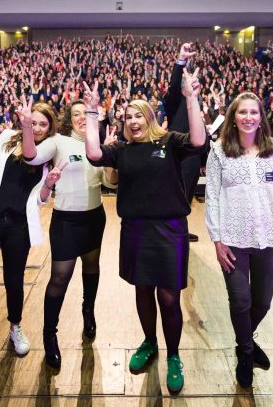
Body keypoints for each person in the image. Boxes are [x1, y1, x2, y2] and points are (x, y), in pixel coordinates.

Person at [83, 46, 207, 395]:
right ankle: (149, 342)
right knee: (143, 291)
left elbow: (199, 140)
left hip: (169, 230)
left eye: (139, 117)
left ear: (150, 118)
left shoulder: (170, 141)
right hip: (135, 229)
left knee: (168, 297)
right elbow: (93, 153)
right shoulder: (121, 150)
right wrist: (93, 112)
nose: (133, 123)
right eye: (128, 119)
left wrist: (192, 98)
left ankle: (174, 355)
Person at [0, 98, 64, 398]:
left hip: (19, 225)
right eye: (33, 121)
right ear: (25, 121)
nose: (37, 126)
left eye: (43, 124)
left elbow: (42, 199)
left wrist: (50, 184)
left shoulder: (47, 156)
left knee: (14, 283)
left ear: (50, 128)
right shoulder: (7, 138)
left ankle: (15, 326)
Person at [22, 99, 118, 369]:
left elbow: (110, 182)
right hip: (65, 222)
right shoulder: (58, 142)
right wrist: (28, 127)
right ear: (69, 119)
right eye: (75, 114)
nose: (80, 118)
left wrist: (110, 154)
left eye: (84, 113)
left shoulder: (98, 146)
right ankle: (49, 334)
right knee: (59, 278)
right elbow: (32, 155)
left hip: (93, 218)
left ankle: (88, 311)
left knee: (91, 268)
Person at [204, 92, 273, 388]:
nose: (249, 117)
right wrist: (217, 239)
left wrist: (262, 212)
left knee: (262, 302)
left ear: (261, 117)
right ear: (233, 117)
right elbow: (212, 196)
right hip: (232, 239)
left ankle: (244, 343)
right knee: (240, 301)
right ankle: (245, 353)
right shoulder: (218, 151)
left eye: (254, 112)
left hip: (269, 236)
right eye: (243, 112)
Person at [162, 42, 204, 242]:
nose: (192, 84)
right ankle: (171, 233)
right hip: (178, 155)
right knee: (174, 195)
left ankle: (181, 230)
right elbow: (173, 84)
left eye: (195, 82)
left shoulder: (196, 103)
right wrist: (180, 62)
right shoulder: (173, 101)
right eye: (188, 82)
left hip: (193, 157)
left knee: (187, 196)